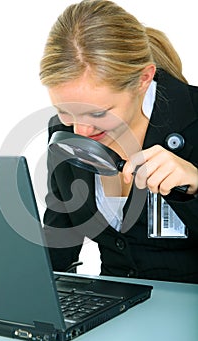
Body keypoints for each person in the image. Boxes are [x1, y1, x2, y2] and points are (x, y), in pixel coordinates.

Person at [39, 0, 198, 283]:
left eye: (99, 113)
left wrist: (197, 185)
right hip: (114, 311)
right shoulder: (62, 131)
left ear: (143, 79)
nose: (81, 129)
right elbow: (59, 240)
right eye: (65, 111)